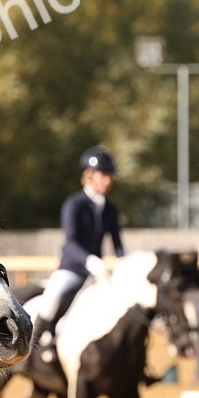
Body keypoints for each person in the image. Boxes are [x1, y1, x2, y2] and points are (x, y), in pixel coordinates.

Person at [31, 147, 125, 359]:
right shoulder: (74, 204)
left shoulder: (110, 209)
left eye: (110, 176)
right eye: (104, 175)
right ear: (89, 175)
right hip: (72, 268)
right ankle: (38, 343)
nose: (108, 181)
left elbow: (118, 244)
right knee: (52, 298)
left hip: (96, 272)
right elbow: (71, 242)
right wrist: (90, 259)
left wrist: (123, 263)